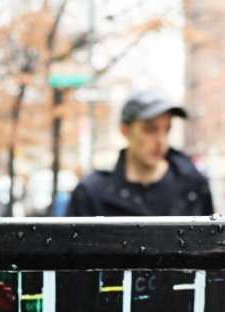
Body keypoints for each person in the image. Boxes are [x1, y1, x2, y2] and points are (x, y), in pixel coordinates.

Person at [66, 90, 214, 218]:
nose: (160, 140)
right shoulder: (91, 192)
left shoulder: (193, 186)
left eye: (167, 129)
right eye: (150, 129)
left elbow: (211, 245)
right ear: (125, 130)